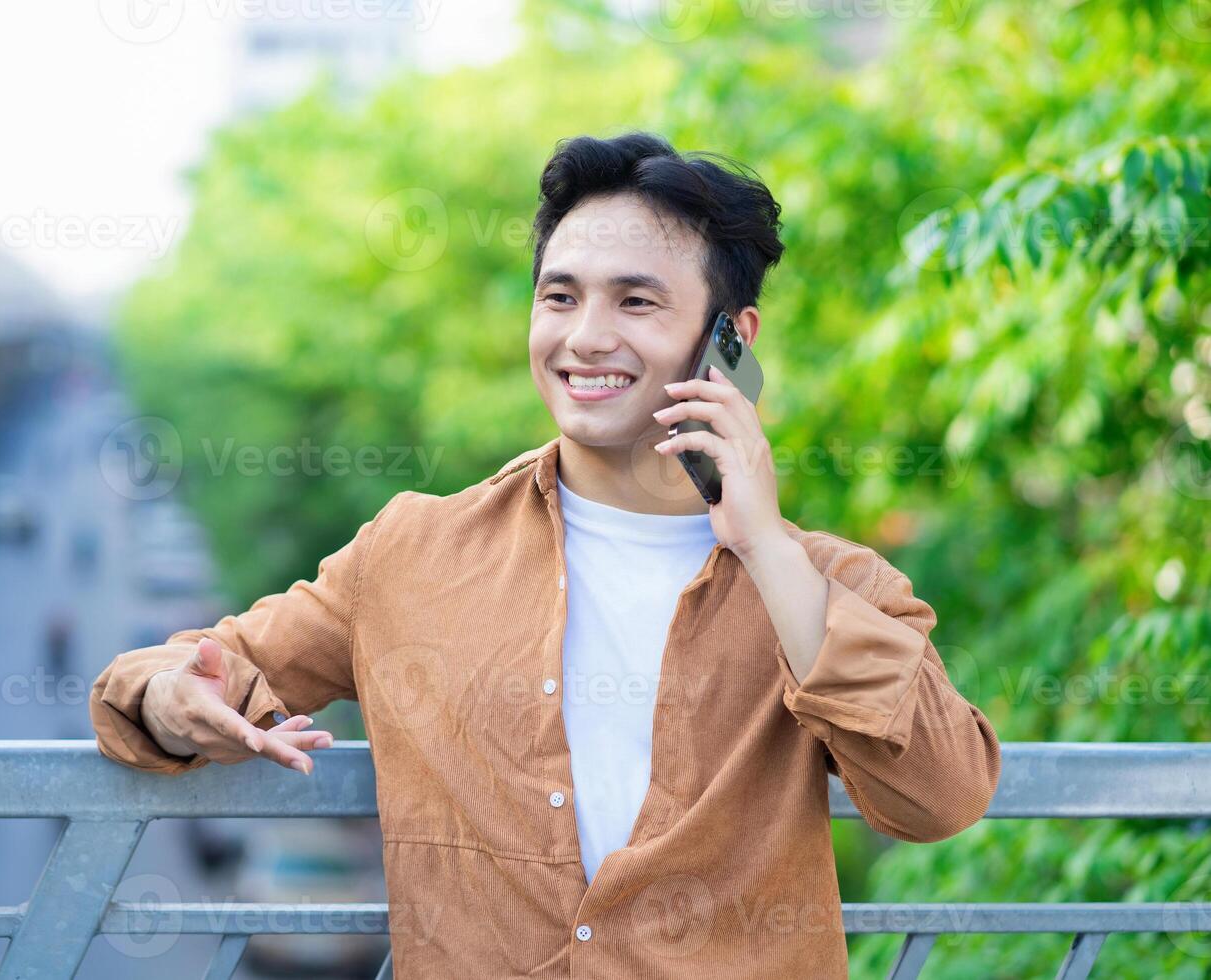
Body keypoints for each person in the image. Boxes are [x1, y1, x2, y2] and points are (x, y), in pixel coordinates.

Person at [89, 131, 1001, 978]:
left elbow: (941, 798)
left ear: (732, 340)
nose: (585, 337)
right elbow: (175, 676)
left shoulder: (829, 585)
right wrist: (177, 698)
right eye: (560, 296)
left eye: (636, 301)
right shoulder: (413, 551)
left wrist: (761, 541)